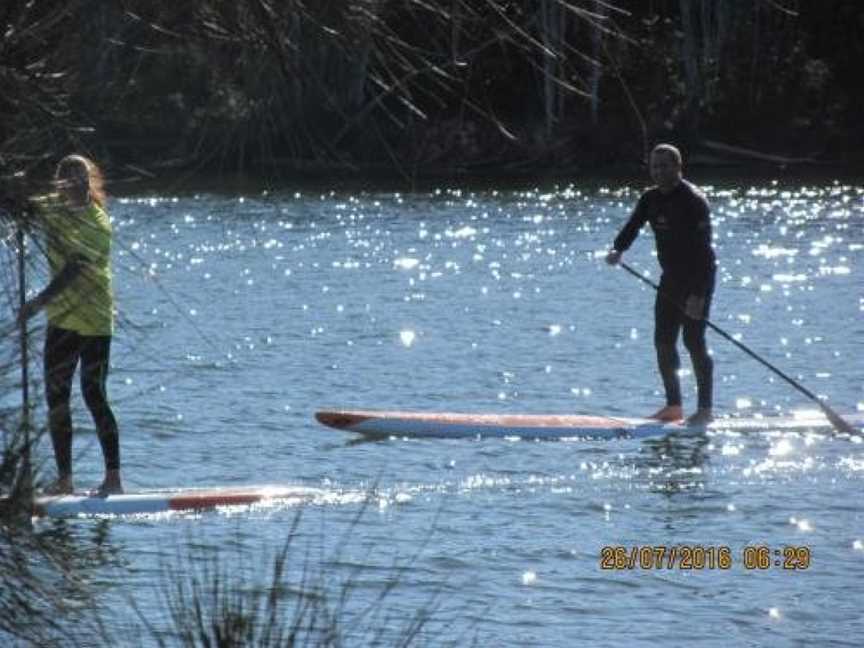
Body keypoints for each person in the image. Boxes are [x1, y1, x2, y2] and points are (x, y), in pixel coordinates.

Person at [17, 154, 123, 495]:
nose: (73, 182)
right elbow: (22, 206)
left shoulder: (97, 221)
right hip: (61, 319)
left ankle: (113, 479)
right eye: (65, 176)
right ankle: (65, 481)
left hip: (93, 319)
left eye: (79, 176)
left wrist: (36, 302)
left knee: (93, 394)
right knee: (56, 397)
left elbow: (74, 269)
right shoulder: (52, 210)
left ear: (89, 180)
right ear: (59, 182)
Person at [605, 144, 716, 426]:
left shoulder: (694, 201)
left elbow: (703, 253)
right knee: (663, 342)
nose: (659, 172)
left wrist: (698, 295)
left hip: (698, 278)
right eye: (655, 167)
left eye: (665, 166)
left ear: (678, 168)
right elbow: (633, 225)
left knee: (693, 341)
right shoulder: (650, 199)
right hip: (670, 279)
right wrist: (618, 249)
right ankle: (674, 406)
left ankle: (705, 409)